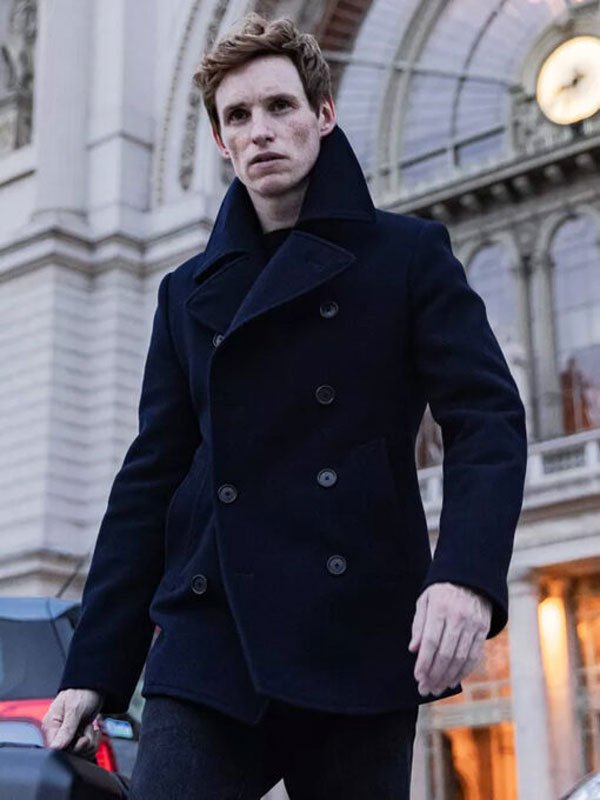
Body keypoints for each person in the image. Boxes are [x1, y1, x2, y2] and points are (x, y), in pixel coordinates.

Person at [41, 13, 527, 799]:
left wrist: (465, 576)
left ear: (322, 115)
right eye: (238, 116)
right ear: (219, 141)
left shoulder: (408, 256)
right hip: (210, 634)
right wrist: (94, 666)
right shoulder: (185, 294)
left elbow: (486, 422)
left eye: (279, 107)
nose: (260, 130)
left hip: (357, 631)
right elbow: (150, 481)